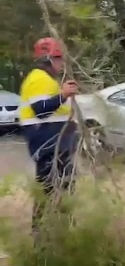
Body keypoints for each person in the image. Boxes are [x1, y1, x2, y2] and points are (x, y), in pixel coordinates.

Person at [19, 37, 79, 231]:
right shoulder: (38, 79)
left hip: (56, 146)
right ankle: (43, 238)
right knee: (49, 191)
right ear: (48, 59)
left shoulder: (47, 80)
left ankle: (60, 232)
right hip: (47, 146)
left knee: (63, 189)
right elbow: (41, 110)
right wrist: (63, 95)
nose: (62, 63)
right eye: (59, 58)